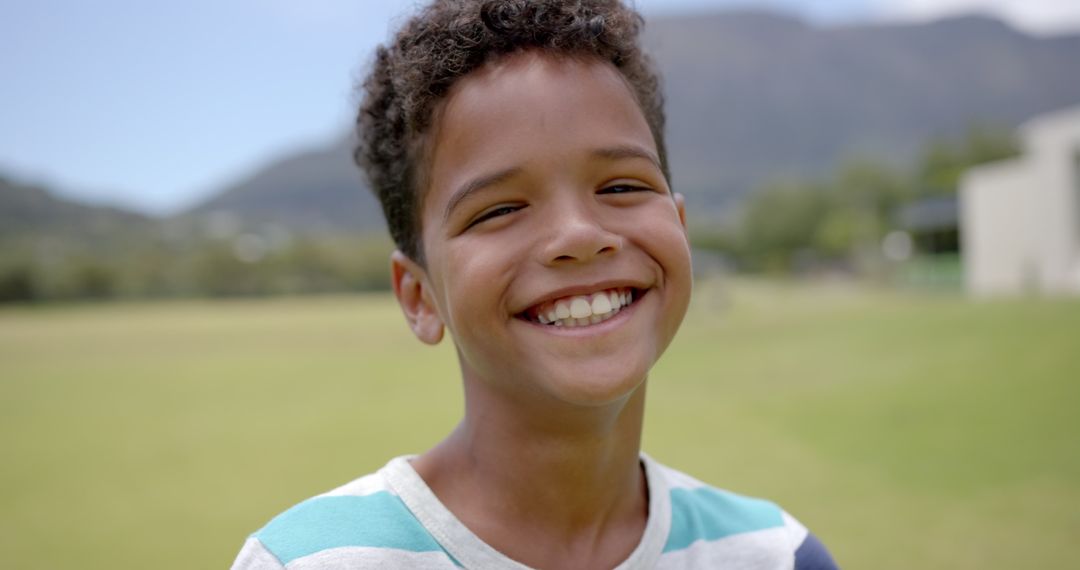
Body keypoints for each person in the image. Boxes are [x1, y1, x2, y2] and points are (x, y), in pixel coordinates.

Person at [231, 1, 838, 568]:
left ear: (679, 228)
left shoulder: (774, 555)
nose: (578, 235)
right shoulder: (314, 562)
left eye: (622, 186)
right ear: (418, 296)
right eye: (497, 210)